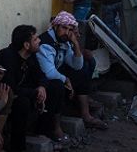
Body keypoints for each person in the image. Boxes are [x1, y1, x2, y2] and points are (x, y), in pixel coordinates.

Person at [36, 11, 108, 141]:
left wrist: (75, 44)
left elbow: (77, 65)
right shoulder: (46, 42)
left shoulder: (64, 41)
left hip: (56, 74)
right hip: (41, 79)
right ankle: (56, 127)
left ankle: (86, 115)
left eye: (70, 29)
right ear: (55, 26)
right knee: (57, 85)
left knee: (81, 72)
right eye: (64, 28)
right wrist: (66, 79)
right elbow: (49, 72)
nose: (67, 32)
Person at [0, 25, 60, 152]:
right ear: (26, 45)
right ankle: (18, 147)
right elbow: (10, 88)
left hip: (28, 93)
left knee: (56, 86)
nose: (39, 41)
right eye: (36, 39)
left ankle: (43, 132)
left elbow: (41, 75)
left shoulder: (30, 56)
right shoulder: (7, 57)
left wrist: (41, 87)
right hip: (9, 99)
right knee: (22, 103)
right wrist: (35, 92)